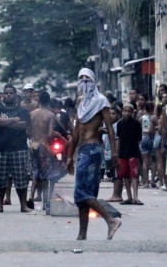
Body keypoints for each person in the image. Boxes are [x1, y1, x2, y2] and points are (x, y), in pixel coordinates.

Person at [66, 67, 121, 240]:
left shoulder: (101, 101)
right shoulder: (81, 103)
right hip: (82, 150)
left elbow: (110, 130)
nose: (84, 82)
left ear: (93, 80)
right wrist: (69, 156)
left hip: (92, 150)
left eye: (87, 78)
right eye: (81, 78)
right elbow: (76, 132)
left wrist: (114, 154)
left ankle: (111, 220)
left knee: (80, 194)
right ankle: (82, 235)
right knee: (85, 195)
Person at [0, 84, 32, 213]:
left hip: (18, 148)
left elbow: (23, 126)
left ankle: (23, 205)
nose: (8, 95)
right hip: (0, 148)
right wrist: (14, 120)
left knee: (21, 177)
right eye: (6, 93)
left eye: (11, 93)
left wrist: (4, 122)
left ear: (16, 95)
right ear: (3, 95)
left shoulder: (23, 111)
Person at [28, 91, 57, 205]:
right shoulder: (50, 115)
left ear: (38, 100)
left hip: (33, 145)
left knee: (36, 172)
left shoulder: (32, 114)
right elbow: (50, 134)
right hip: (44, 146)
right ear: (48, 101)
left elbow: (27, 131)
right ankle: (46, 201)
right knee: (45, 175)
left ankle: (31, 196)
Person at [116, 104, 143, 205]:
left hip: (133, 151)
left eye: (129, 111)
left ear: (132, 112)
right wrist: (117, 153)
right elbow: (118, 139)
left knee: (134, 174)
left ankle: (136, 197)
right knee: (125, 175)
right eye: (125, 111)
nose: (127, 113)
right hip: (123, 152)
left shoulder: (136, 124)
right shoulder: (120, 124)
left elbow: (139, 138)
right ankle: (129, 197)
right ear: (122, 112)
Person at [103, 105, 123, 202]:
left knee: (116, 175)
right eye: (109, 114)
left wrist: (115, 154)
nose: (111, 116)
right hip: (108, 153)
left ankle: (117, 195)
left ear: (118, 115)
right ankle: (115, 194)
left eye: (113, 114)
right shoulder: (107, 125)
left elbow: (117, 141)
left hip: (113, 153)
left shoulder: (117, 125)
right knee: (112, 175)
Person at [138, 101, 155, 188]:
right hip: (152, 138)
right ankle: (152, 180)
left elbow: (138, 128)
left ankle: (145, 182)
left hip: (143, 137)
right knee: (154, 161)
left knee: (145, 161)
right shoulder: (154, 117)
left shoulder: (141, 118)